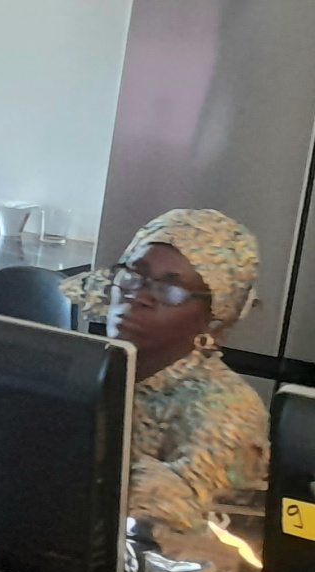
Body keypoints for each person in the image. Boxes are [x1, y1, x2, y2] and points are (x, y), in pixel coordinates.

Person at [62, 208, 268, 532]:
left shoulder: (228, 412)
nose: (139, 296)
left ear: (212, 315)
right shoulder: (92, 369)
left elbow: (182, 522)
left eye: (171, 290)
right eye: (134, 274)